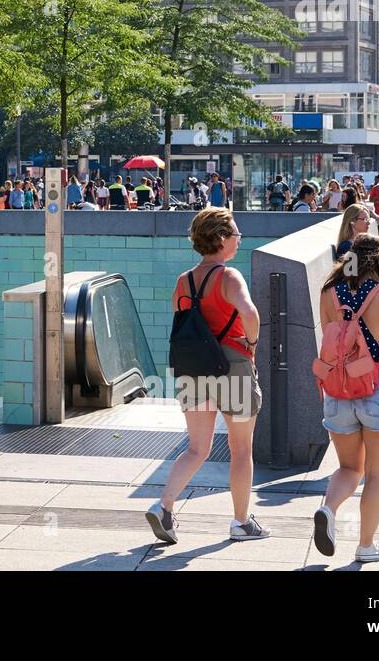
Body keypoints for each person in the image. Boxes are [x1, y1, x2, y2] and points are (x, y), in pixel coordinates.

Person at [146, 207, 268, 546]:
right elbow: (249, 312)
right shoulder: (229, 277)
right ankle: (241, 522)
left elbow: (184, 319)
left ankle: (164, 506)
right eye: (236, 234)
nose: (239, 239)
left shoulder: (183, 281)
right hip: (233, 365)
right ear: (220, 239)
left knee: (197, 448)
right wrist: (252, 344)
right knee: (241, 448)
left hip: (194, 367)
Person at [312, 234, 379, 563]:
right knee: (376, 474)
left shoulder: (329, 292)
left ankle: (328, 508)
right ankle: (366, 545)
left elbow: (330, 341)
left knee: (347, 467)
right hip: (376, 388)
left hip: (338, 392)